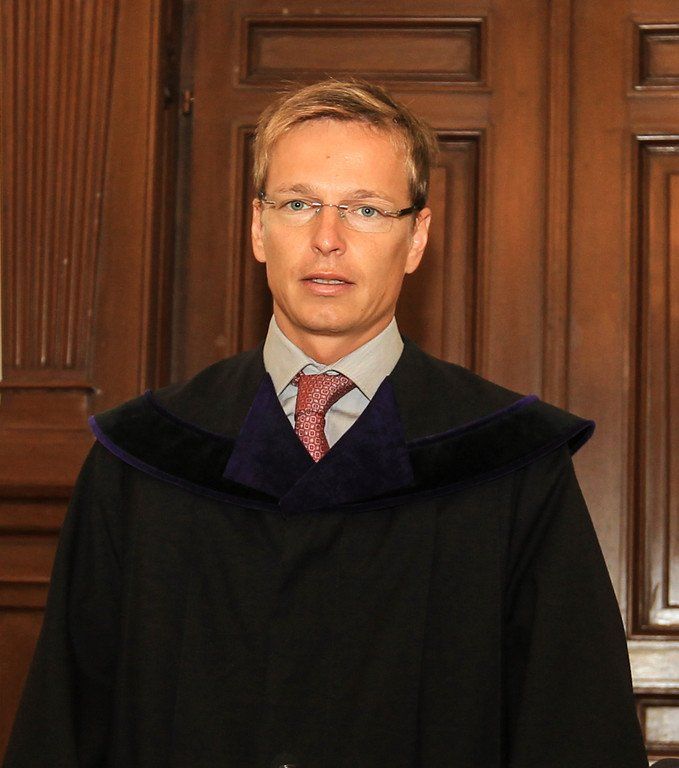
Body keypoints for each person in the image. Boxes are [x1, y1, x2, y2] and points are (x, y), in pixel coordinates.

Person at [4, 80, 648, 768]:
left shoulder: (510, 466)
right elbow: (65, 725)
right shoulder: (142, 460)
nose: (327, 239)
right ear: (258, 228)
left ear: (416, 238)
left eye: (365, 209)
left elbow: (573, 729)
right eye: (298, 204)